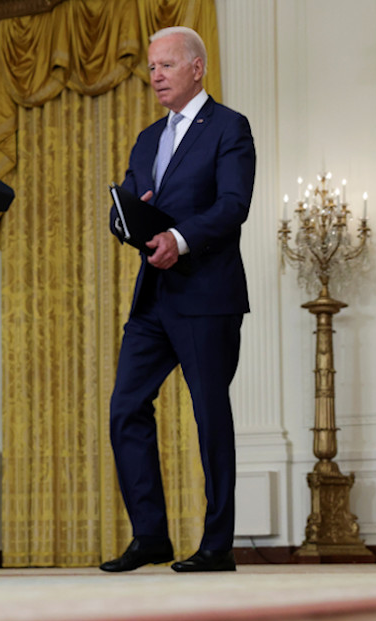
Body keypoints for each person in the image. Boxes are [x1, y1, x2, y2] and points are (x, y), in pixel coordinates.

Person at [101, 26, 256, 573]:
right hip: (154, 296)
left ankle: (217, 545)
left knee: (209, 414)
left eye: (167, 65)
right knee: (125, 407)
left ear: (197, 68)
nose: (156, 75)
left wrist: (180, 238)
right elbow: (126, 206)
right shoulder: (146, 139)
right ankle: (150, 537)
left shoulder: (229, 128)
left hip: (207, 292)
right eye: (151, 67)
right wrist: (129, 220)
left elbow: (235, 204)